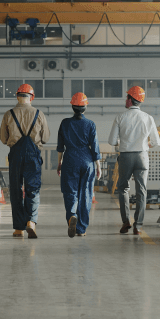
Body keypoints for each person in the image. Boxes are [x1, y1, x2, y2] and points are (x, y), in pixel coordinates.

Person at [0, 84, 50, 238]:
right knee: (32, 189)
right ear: (32, 97)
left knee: (15, 190)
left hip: (15, 155)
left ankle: (18, 228)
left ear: (17, 96)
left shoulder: (9, 114)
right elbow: (46, 138)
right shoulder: (39, 114)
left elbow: (3, 138)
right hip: (33, 156)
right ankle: (31, 222)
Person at [108, 85, 160, 235]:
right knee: (141, 191)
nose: (125, 100)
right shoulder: (148, 118)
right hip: (142, 156)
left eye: (127, 97)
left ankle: (126, 222)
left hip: (125, 156)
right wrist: (144, 145)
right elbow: (156, 142)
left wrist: (124, 142)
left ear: (130, 100)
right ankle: (138, 225)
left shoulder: (120, 117)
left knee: (123, 188)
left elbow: (112, 141)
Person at [57, 93, 102, 238]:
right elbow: (95, 147)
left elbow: (60, 147)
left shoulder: (65, 123)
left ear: (72, 106)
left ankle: (71, 216)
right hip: (87, 161)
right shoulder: (90, 124)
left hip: (70, 159)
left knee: (70, 191)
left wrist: (59, 163)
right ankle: (81, 229)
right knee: (86, 194)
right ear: (85, 107)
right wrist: (98, 166)